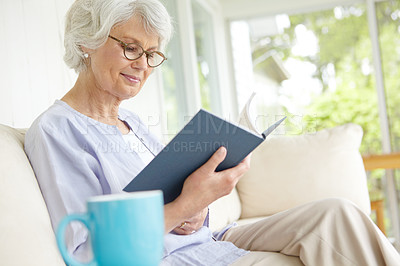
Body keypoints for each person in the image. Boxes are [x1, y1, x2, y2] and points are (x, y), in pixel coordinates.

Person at [24, 0, 400, 265]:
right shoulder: (57, 130)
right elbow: (86, 251)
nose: (143, 65)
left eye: (152, 54)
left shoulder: (134, 124)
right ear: (85, 41)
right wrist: (183, 208)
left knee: (336, 214)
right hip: (176, 257)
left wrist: (196, 210)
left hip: (211, 237)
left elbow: (178, 204)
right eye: (131, 48)